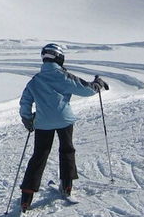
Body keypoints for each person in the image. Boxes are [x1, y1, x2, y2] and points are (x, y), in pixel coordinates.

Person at [18, 44, 108, 212]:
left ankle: (26, 198)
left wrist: (27, 118)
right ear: (59, 58)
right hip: (64, 120)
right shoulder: (64, 76)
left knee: (39, 155)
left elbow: (25, 101)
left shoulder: (35, 80)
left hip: (43, 123)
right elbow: (85, 89)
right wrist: (97, 84)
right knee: (67, 150)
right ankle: (66, 186)